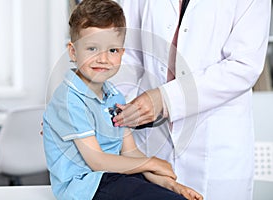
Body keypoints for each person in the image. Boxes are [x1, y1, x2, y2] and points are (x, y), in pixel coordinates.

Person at [110, 0, 271, 200]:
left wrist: (165, 98)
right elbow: (126, 53)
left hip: (215, 142)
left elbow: (244, 65)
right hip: (149, 134)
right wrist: (124, 108)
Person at [42, 0, 203, 199]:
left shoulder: (114, 96)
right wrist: (152, 162)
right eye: (92, 49)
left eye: (112, 50)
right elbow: (98, 162)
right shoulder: (68, 99)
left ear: (122, 53)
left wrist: (170, 185)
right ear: (73, 51)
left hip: (115, 176)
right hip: (86, 186)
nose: (103, 59)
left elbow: (130, 154)